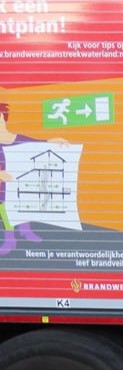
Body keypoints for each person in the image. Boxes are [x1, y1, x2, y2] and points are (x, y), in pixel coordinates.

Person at [0, 102, 65, 256]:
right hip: (3, 186)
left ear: (4, 118)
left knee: (25, 200)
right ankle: (10, 238)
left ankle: (25, 229)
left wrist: (53, 141)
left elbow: (37, 145)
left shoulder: (17, 138)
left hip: (20, 181)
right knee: (5, 206)